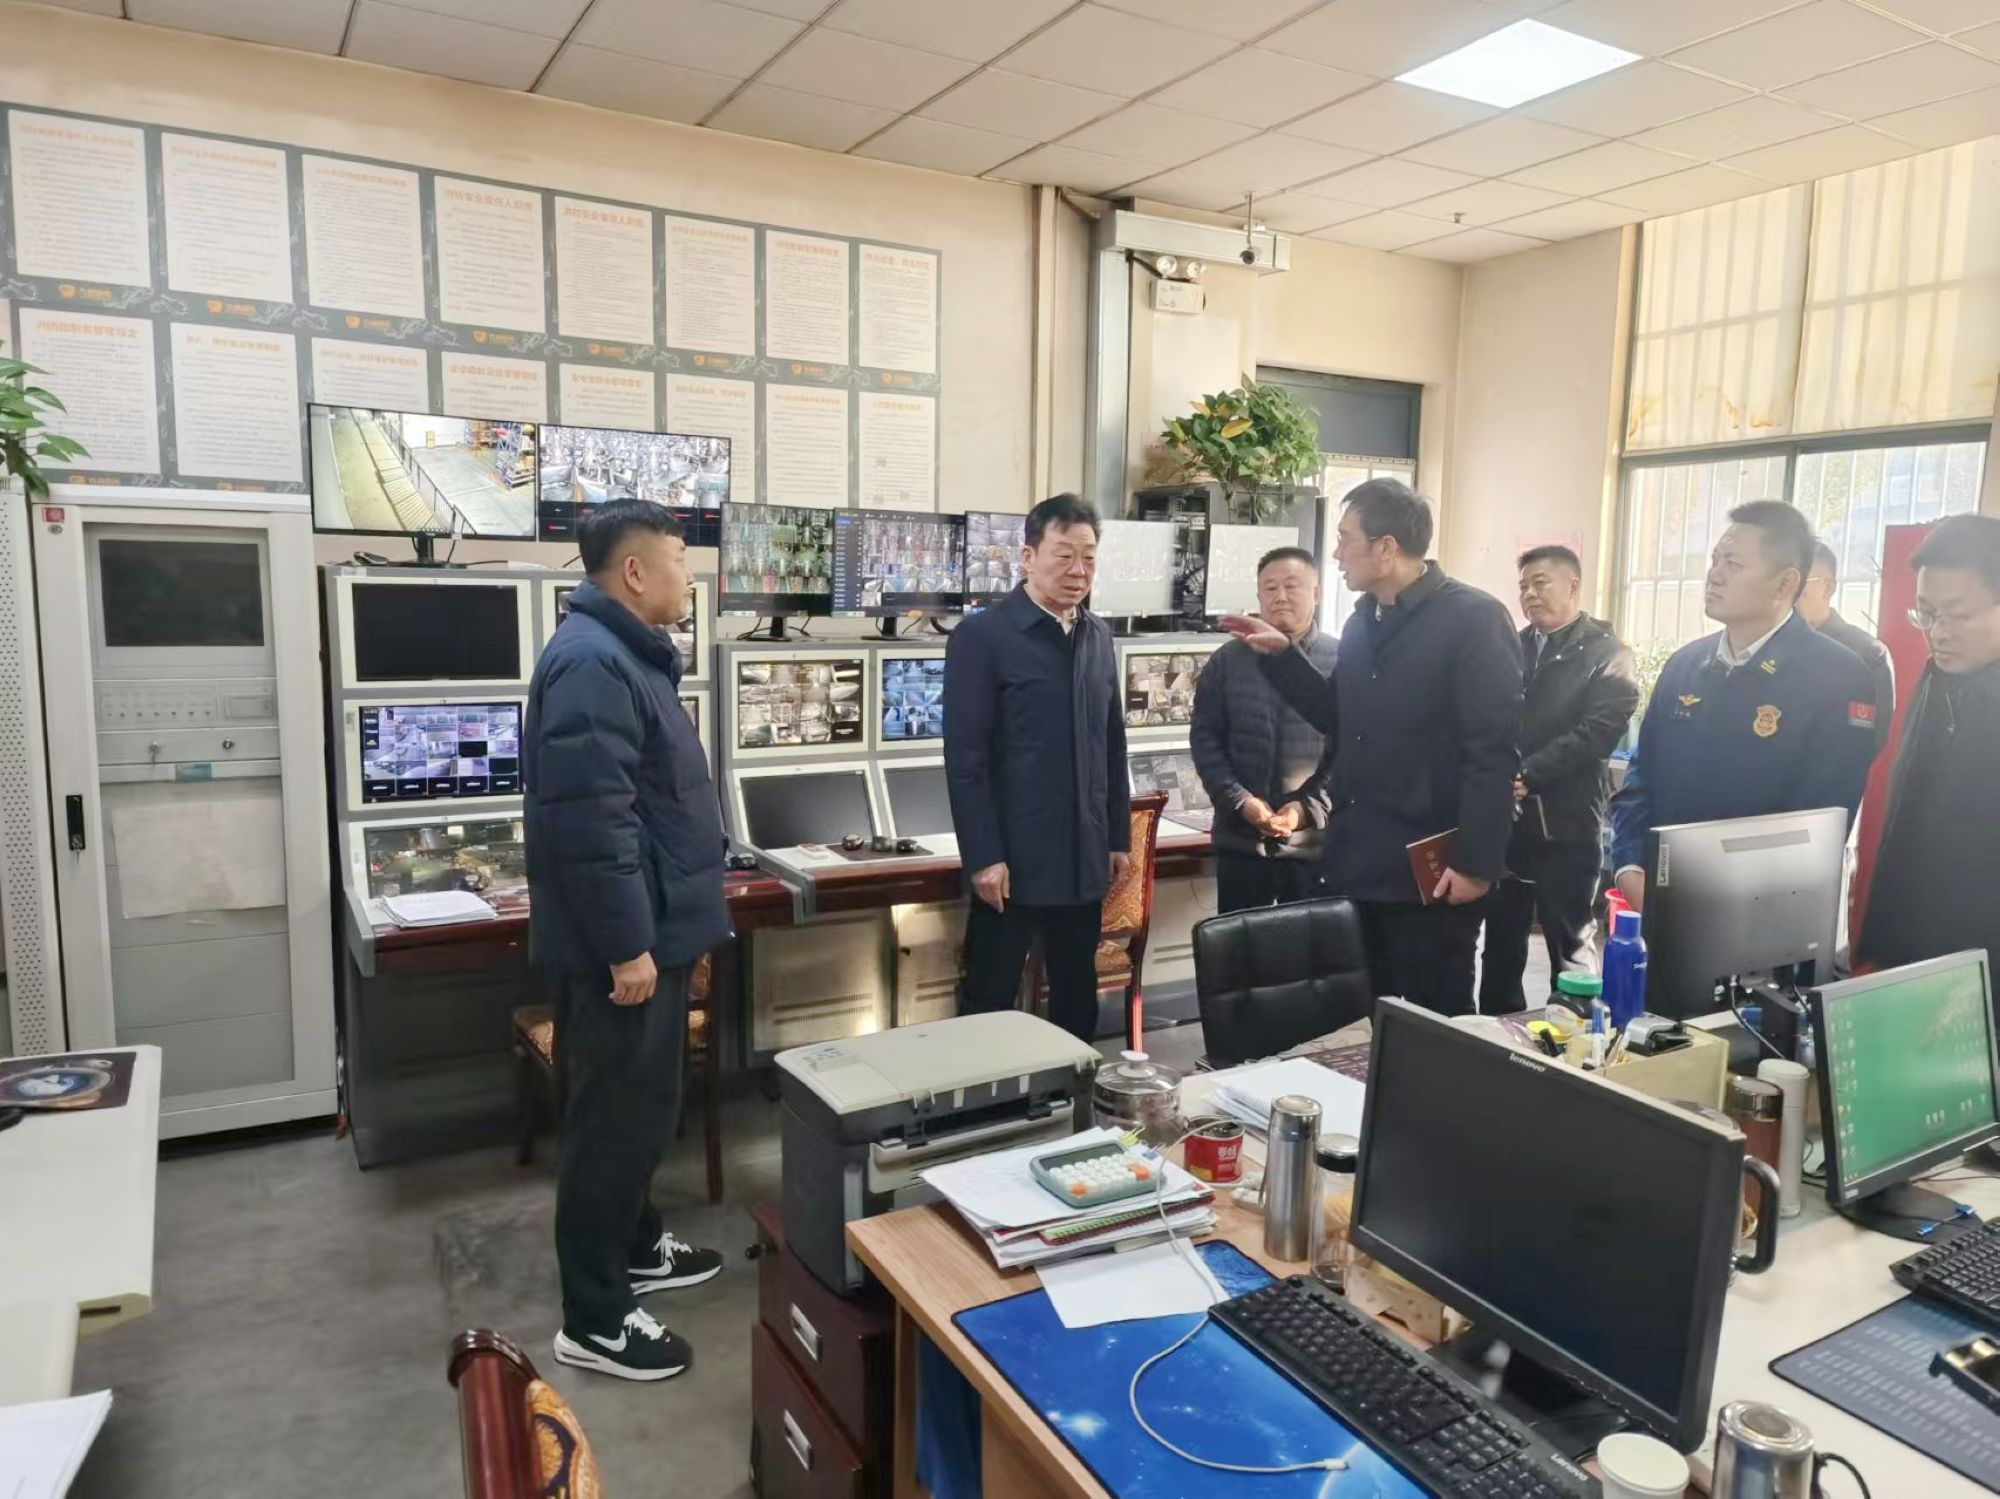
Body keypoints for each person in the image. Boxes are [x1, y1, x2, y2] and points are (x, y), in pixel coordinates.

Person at [523, 500, 727, 1383]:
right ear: (635, 572)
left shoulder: (625, 655)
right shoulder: (591, 664)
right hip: (626, 946)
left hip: (654, 927)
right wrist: (625, 945)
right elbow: (591, 822)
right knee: (611, 1126)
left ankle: (637, 1246)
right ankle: (595, 1315)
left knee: (643, 1112)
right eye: (680, 557)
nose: (691, 575)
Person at [1222, 479, 1521, 1016]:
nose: (1336, 554)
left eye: (1344, 539)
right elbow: (1341, 717)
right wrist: (1283, 657)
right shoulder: (1363, 620)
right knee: (1362, 1019)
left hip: (1434, 871)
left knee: (1435, 1023)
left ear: (1386, 548)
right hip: (1359, 861)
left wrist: (1477, 866)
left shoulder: (1474, 619)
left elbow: (1493, 752)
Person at [1610, 501, 1878, 912]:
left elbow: (1820, 821)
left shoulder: (1838, 676)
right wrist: (1629, 865)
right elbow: (1642, 775)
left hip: (1763, 914)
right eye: (1715, 560)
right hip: (1663, 898)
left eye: (1733, 564)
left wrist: (1725, 903)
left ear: (1784, 584)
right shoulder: (1685, 666)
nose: (1714, 575)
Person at [944, 494, 1129, 1040]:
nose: (1078, 571)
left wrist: (1116, 837)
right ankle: (984, 1092)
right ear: (1028, 557)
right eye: (1063, 555)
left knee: (1076, 996)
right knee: (990, 999)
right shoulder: (983, 637)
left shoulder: (1097, 636)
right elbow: (966, 760)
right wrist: (984, 857)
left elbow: (1111, 745)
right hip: (1013, 864)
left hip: (1083, 859)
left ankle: (1070, 1092)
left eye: (1089, 558)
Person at [1479, 545, 1639, 1013]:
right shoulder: (1513, 646)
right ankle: (1494, 1034)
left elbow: (1599, 731)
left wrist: (1530, 773)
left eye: (1540, 583)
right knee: (1501, 944)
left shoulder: (1608, 654)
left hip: (1566, 822)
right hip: (1507, 819)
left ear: (1573, 586)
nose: (1529, 594)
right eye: (1523, 586)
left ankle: (1575, 1035)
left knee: (1571, 943)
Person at [1857, 514, 2000, 972]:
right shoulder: (1939, 677)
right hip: (1922, 951)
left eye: (1958, 615)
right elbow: (1907, 818)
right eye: (1927, 614)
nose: (1937, 633)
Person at [1189, 547, 1339, 913]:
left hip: (1315, 848)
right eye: (1270, 588)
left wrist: (1306, 808)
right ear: (1258, 596)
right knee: (1238, 943)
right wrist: (1242, 802)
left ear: (1317, 593)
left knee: (1308, 946)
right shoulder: (1227, 662)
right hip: (1240, 843)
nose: (1280, 596)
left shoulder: (1342, 660)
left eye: (1292, 585)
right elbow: (1206, 741)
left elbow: (1352, 750)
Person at [1799, 539, 1896, 762]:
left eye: (1800, 583)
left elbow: (1866, 741)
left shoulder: (1865, 653)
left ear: (1828, 587)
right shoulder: (1767, 646)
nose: (1788, 594)